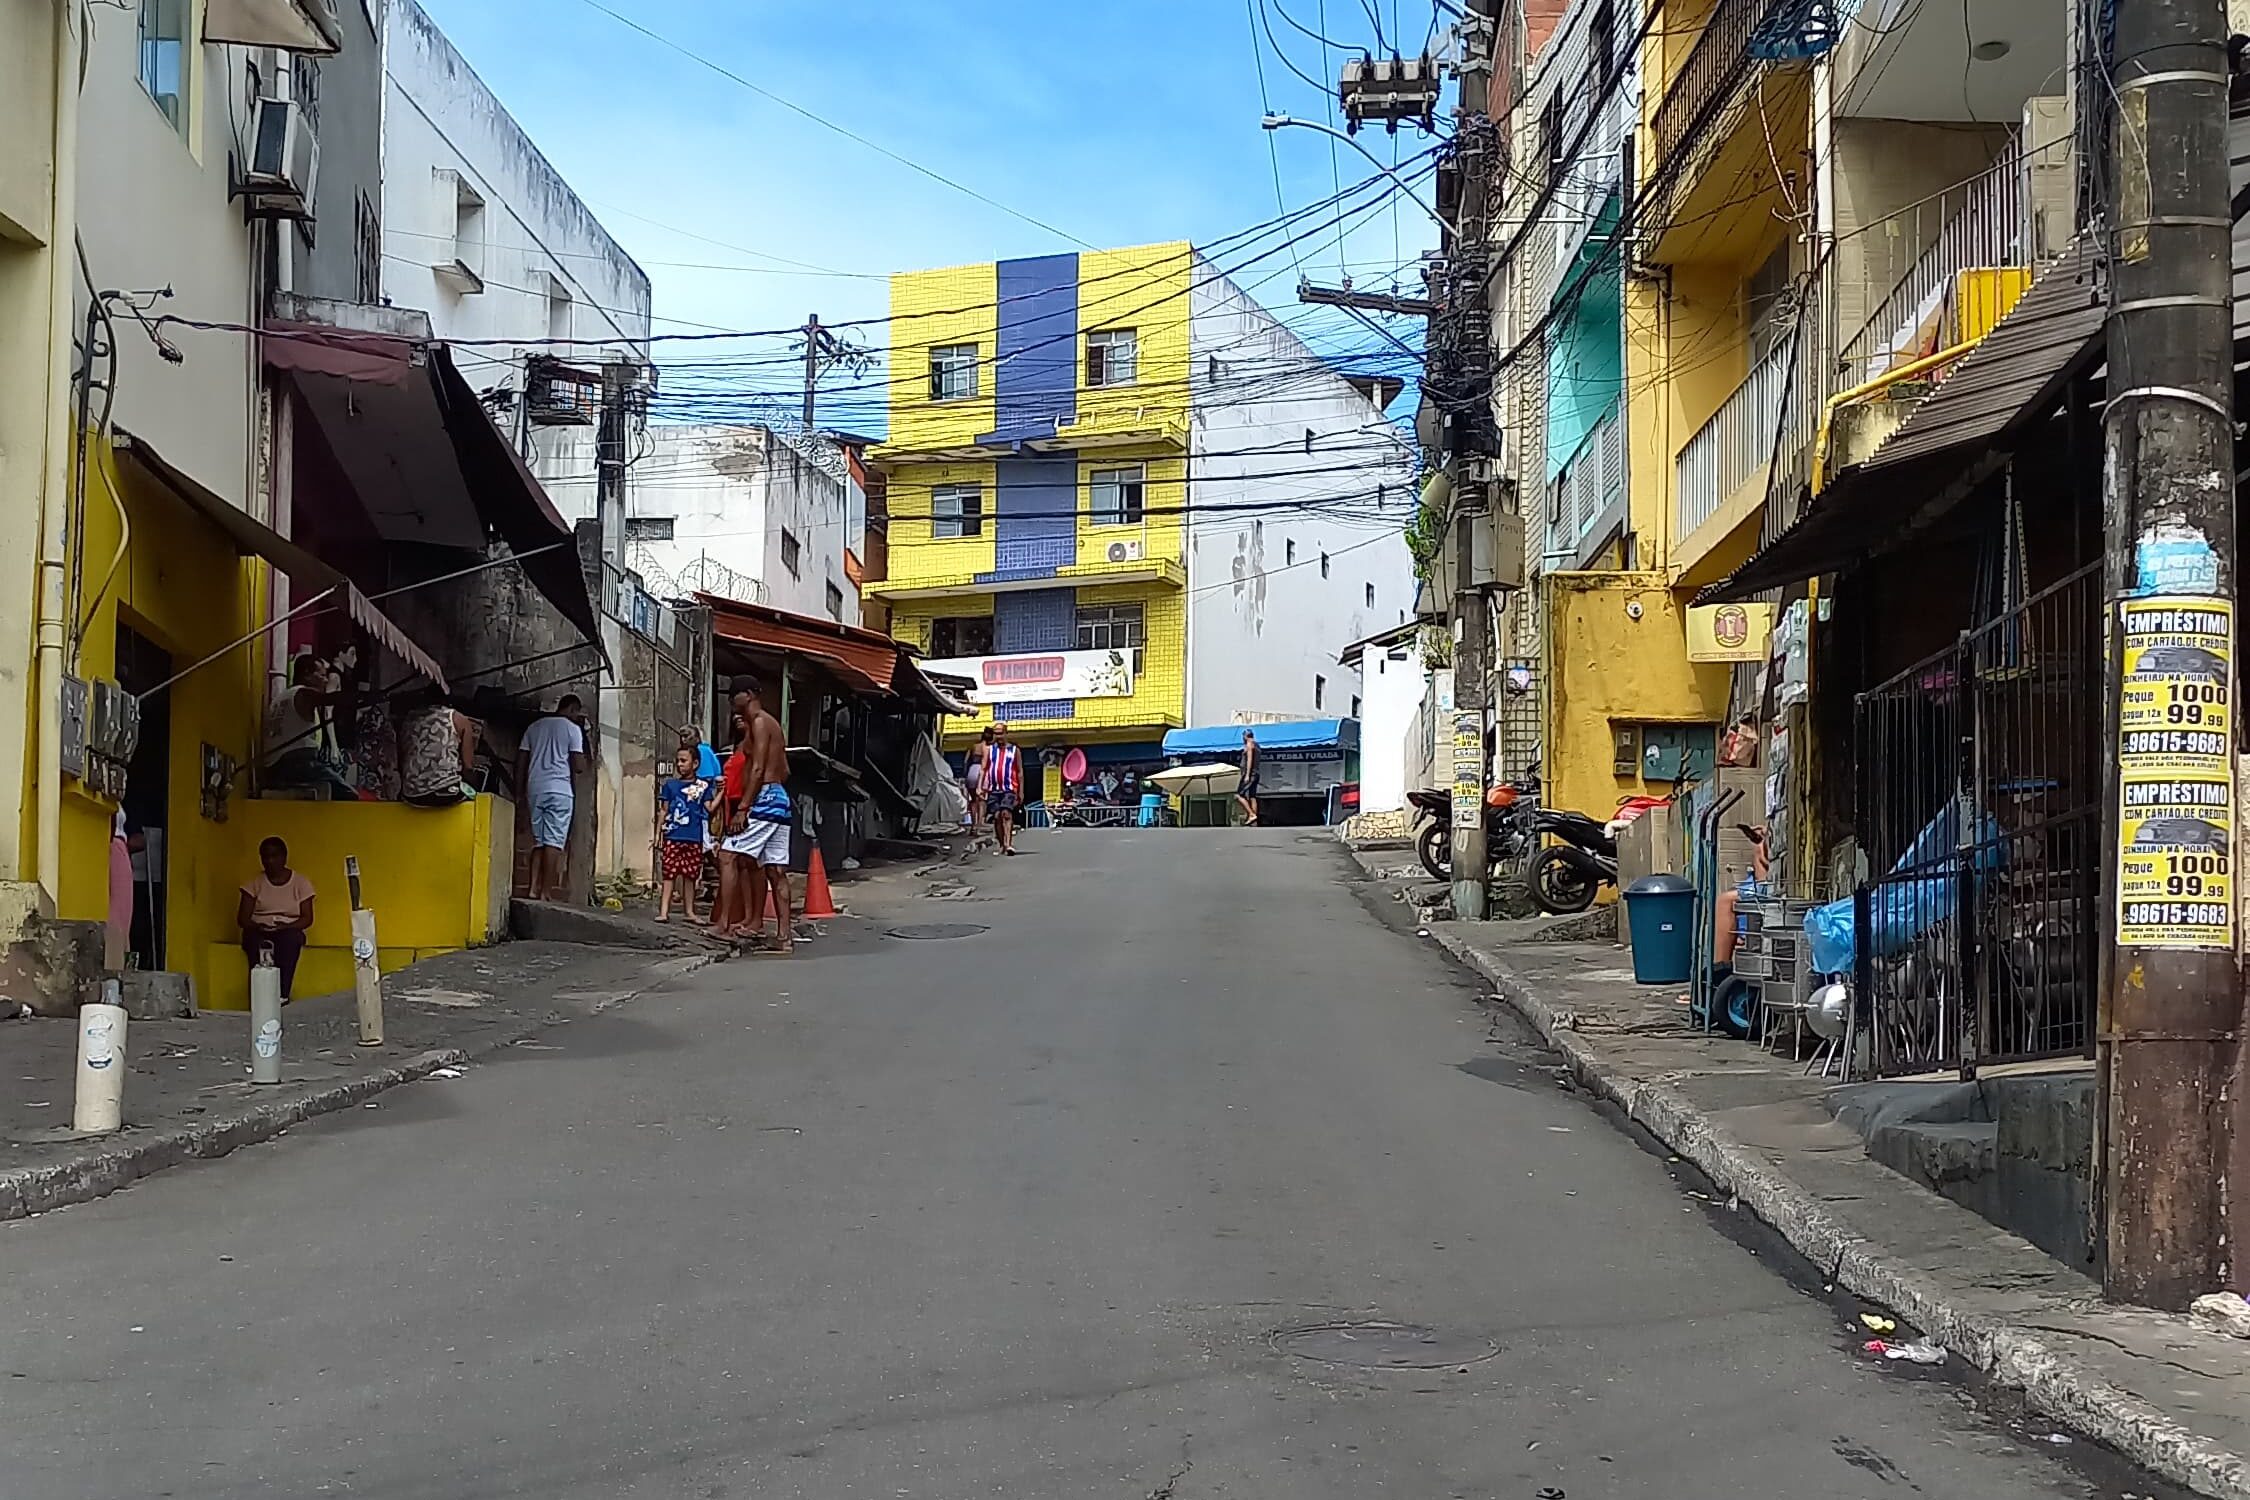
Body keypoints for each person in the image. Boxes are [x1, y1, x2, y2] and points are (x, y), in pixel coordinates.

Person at [720, 676, 796, 951]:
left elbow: (757, 768)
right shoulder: (772, 724)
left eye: (734, 696)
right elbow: (784, 769)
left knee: (728, 854)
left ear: (749, 694)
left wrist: (743, 808)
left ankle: (723, 925)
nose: (730, 703)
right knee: (776, 870)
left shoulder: (760, 722)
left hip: (764, 797)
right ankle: (784, 937)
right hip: (779, 799)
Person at [516, 695, 589, 901]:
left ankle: (532, 888)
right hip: (560, 790)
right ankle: (546, 892)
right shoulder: (572, 729)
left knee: (538, 841)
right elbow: (579, 767)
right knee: (554, 843)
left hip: (535, 788)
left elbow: (521, 762)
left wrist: (519, 793)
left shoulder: (534, 727)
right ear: (572, 709)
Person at [265, 652, 355, 798]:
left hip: (275, 766)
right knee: (348, 794)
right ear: (307, 675)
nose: (326, 681)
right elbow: (331, 699)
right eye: (322, 675)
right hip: (295, 765)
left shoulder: (282, 698)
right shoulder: (303, 694)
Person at [238, 836, 316, 999]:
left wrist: (285, 927)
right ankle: (260, 995)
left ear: (284, 857)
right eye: (265, 857)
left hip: (288, 929)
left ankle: (282, 995)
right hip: (259, 930)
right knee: (255, 944)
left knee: (290, 942)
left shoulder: (301, 883)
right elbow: (242, 918)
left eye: (275, 856)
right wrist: (258, 926)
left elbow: (307, 918)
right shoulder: (253, 883)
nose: (270, 861)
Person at [656, 746, 715, 924]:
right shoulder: (670, 786)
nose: (679, 765)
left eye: (684, 761)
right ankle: (664, 911)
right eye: (678, 761)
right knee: (669, 874)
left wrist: (721, 792)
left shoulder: (703, 787)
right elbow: (663, 810)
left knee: (690, 875)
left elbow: (710, 808)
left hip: (693, 836)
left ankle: (689, 911)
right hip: (673, 835)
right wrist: (659, 832)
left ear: (695, 763)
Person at [1714, 825, 1771, 968]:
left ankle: (1721, 963)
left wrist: (1762, 842)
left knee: (1724, 900)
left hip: (1764, 886)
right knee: (1729, 898)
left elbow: (1768, 861)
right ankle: (1732, 941)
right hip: (1755, 884)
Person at [986, 722, 1024, 856]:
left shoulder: (1014, 750)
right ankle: (1002, 844)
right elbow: (983, 769)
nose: (998, 736)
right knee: (997, 817)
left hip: (1009, 788)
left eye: (1001, 733)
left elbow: (1019, 772)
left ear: (1006, 733)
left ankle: (1008, 844)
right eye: (996, 733)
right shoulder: (989, 750)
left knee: (1006, 814)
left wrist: (1020, 791)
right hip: (993, 789)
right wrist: (980, 787)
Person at [964, 726, 992, 831]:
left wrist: (966, 775)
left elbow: (966, 761)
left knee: (973, 800)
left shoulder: (974, 746)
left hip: (971, 771)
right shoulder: (989, 748)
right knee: (982, 800)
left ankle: (973, 825)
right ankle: (980, 824)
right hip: (982, 772)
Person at [1234, 728, 1261, 827]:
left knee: (1238, 795)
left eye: (1243, 736)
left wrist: (1247, 775)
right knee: (1252, 796)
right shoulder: (1257, 745)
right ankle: (1254, 820)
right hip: (1256, 773)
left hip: (1250, 773)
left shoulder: (1249, 744)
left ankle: (1251, 814)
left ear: (1246, 736)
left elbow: (1249, 760)